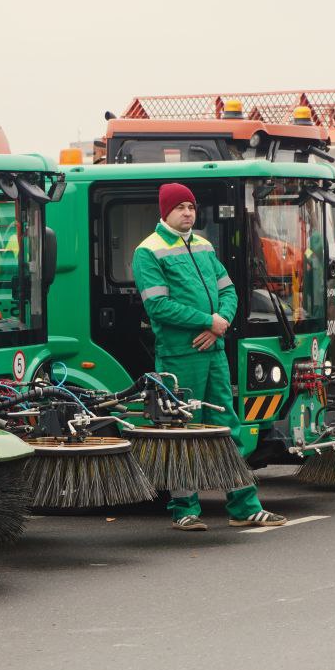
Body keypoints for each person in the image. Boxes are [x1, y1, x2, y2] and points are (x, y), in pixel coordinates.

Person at [133, 183, 287, 531]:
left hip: (213, 349)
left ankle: (245, 506)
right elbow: (157, 306)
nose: (188, 212)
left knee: (227, 427)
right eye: (180, 207)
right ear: (165, 212)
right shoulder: (149, 251)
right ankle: (183, 509)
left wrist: (221, 324)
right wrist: (208, 321)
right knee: (182, 431)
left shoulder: (202, 245)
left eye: (191, 206)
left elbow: (228, 290)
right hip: (179, 355)